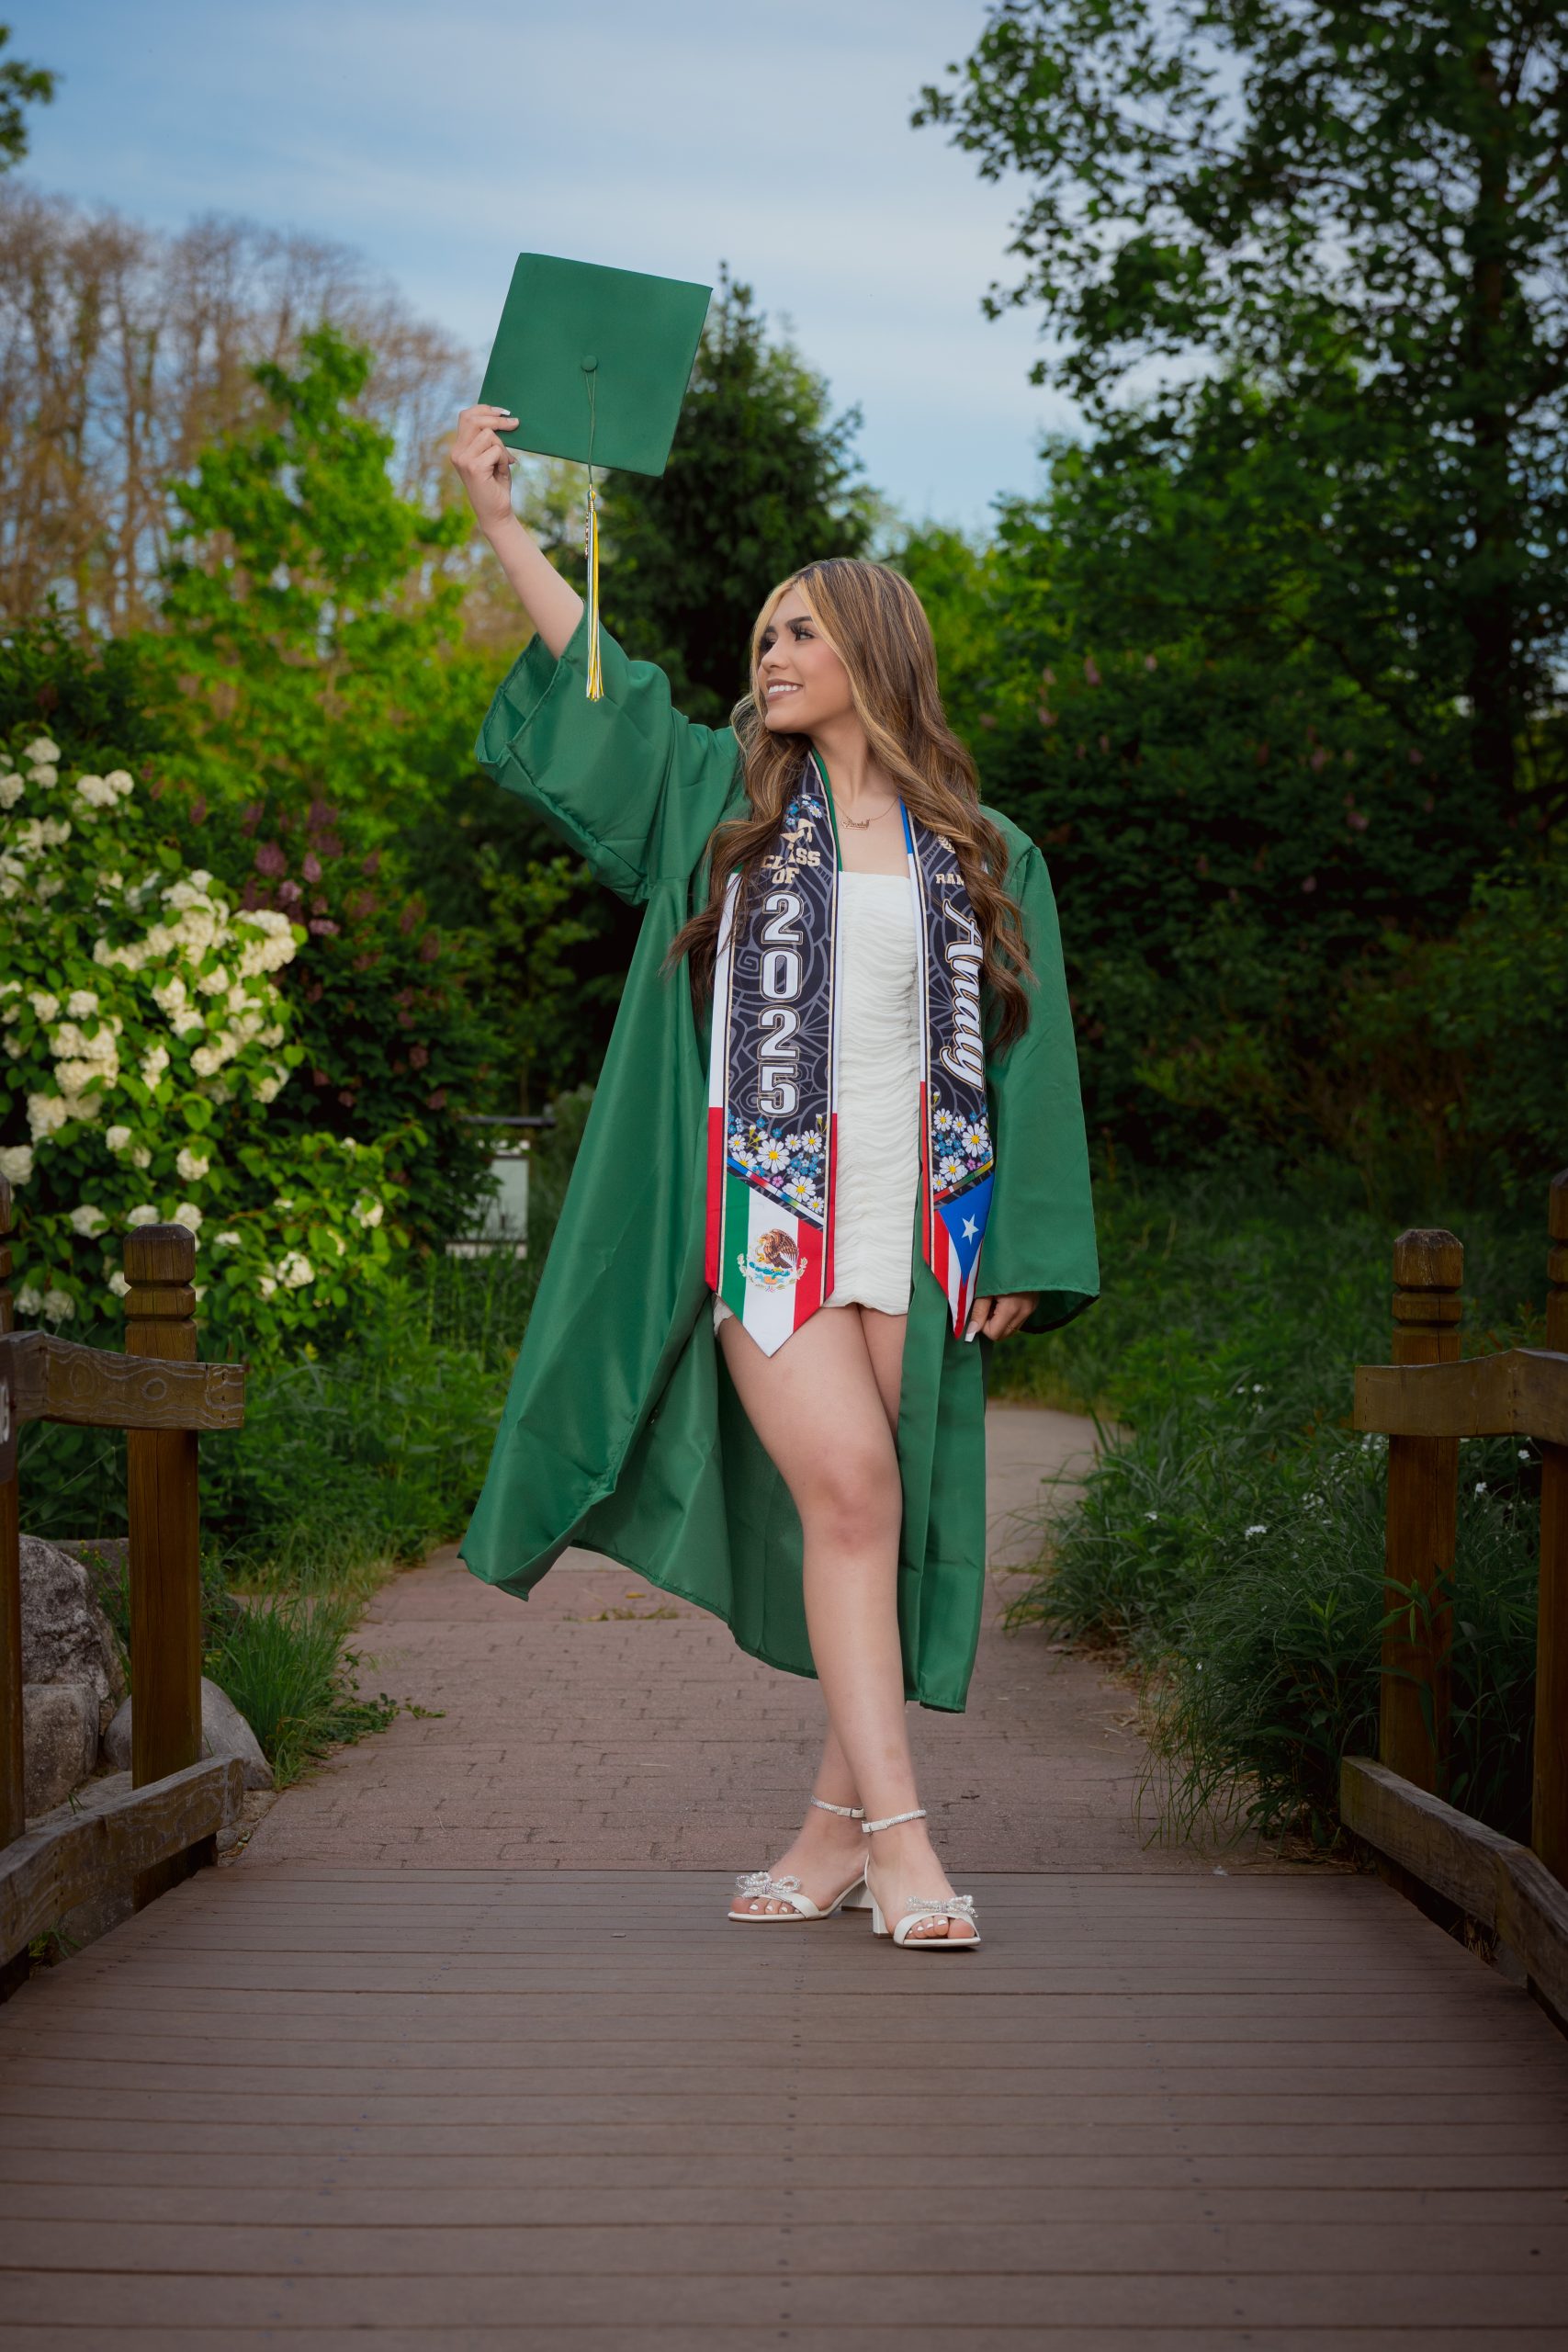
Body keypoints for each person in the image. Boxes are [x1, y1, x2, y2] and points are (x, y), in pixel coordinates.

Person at [450, 404, 1098, 1951]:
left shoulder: (982, 850)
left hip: (920, 1220)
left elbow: (1033, 1053)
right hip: (775, 1221)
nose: (772, 652)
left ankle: (827, 1838)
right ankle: (907, 1845)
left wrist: (1019, 1238)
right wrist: (503, 523)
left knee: (870, 1527)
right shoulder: (724, 812)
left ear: (875, 645)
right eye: (764, 634)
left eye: (800, 630)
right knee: (854, 1491)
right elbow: (605, 687)